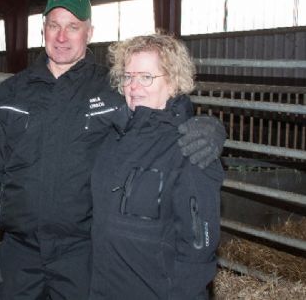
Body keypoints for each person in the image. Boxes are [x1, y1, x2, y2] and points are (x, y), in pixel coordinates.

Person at [0, 0, 226, 300]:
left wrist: (205, 125)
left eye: (73, 27)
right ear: (43, 30)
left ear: (89, 32)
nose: (62, 36)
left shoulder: (111, 88)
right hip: (20, 250)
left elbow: (157, 106)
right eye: (54, 26)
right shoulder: (11, 93)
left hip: (83, 254)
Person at [89, 33, 223, 300]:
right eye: (128, 76)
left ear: (173, 83)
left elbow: (198, 248)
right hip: (104, 288)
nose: (134, 86)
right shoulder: (111, 140)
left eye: (146, 77)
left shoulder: (190, 148)